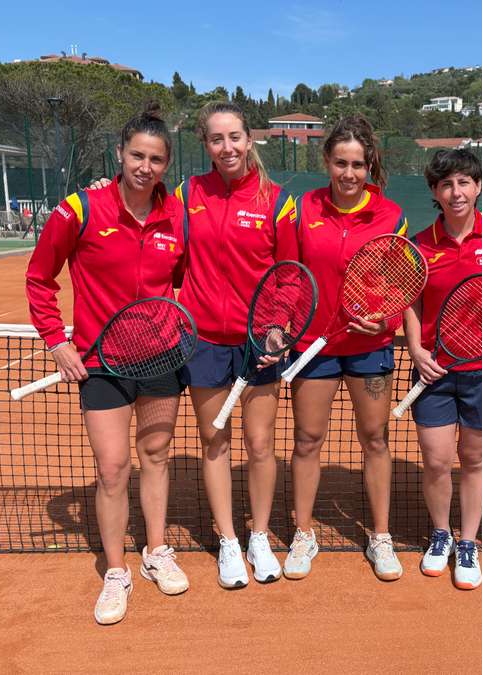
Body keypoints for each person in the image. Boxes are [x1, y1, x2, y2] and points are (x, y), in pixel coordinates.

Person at [26, 104, 188, 625]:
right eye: (137, 154)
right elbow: (39, 277)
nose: (145, 165)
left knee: (157, 456)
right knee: (113, 468)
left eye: (156, 158)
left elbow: (185, 278)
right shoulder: (79, 210)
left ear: (166, 165)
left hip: (161, 357)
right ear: (120, 154)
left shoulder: (176, 215)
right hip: (101, 364)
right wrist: (56, 340)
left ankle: (156, 551)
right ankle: (116, 570)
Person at [175, 102, 298, 589]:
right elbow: (136, 200)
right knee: (215, 442)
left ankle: (260, 535)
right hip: (204, 340)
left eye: (234, 137)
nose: (226, 147)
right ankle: (228, 540)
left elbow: (289, 275)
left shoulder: (277, 201)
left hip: (258, 342)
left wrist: (278, 326)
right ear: (206, 144)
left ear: (249, 141)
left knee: (262, 444)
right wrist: (102, 185)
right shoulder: (186, 193)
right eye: (216, 139)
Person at [284, 115, 407, 582]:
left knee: (374, 439)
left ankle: (379, 536)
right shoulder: (303, 208)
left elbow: (401, 280)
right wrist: (285, 327)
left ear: (369, 165)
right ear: (326, 162)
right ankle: (303, 532)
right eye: (341, 163)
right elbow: (291, 274)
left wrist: (386, 319)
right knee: (307, 440)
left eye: (358, 164)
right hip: (313, 346)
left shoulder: (391, 214)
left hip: (369, 347)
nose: (349, 174)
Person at [405, 149, 482, 590]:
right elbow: (411, 299)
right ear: (435, 191)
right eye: (446, 184)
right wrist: (415, 348)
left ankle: (467, 541)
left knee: (475, 459)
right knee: (436, 461)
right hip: (433, 369)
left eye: (464, 183)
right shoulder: (419, 242)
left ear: (478, 186)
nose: (456, 192)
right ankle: (440, 534)